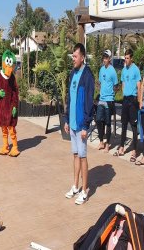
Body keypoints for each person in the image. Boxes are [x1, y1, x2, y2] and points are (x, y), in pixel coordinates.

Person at [64, 43, 95, 205]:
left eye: (75, 56)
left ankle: (84, 191)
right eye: (72, 57)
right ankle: (75, 185)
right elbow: (69, 98)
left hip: (82, 125)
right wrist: (67, 120)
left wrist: (85, 125)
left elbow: (89, 102)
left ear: (82, 57)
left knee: (83, 157)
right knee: (75, 155)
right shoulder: (73, 73)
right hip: (73, 124)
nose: (73, 59)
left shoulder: (87, 76)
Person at [116, 49, 141, 159]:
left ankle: (134, 151)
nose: (125, 60)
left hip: (133, 100)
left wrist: (139, 101)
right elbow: (123, 83)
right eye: (124, 58)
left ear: (131, 58)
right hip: (125, 100)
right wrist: (123, 94)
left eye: (127, 58)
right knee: (124, 124)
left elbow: (139, 85)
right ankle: (121, 147)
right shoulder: (124, 70)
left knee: (134, 126)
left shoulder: (135, 69)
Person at [96, 49, 118, 153]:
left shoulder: (112, 71)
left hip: (109, 100)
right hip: (101, 99)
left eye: (106, 58)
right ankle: (101, 141)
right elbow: (100, 82)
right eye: (103, 58)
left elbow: (116, 85)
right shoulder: (101, 69)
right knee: (99, 120)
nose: (104, 59)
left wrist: (112, 94)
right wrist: (99, 89)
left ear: (109, 59)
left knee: (108, 123)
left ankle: (107, 144)